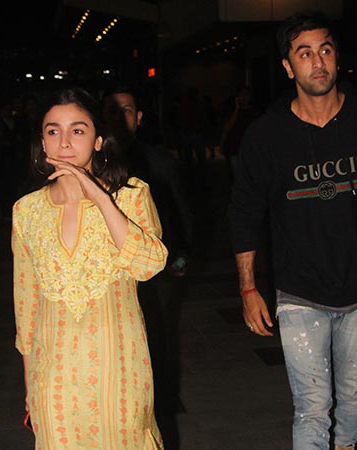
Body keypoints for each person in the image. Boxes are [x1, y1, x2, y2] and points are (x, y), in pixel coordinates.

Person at [228, 11, 357, 450]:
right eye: (305, 53)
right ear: (288, 66)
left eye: (325, 50)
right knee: (312, 406)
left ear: (337, 57)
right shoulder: (267, 135)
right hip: (299, 291)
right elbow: (245, 213)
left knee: (351, 395)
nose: (318, 62)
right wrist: (248, 288)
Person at [12, 87, 168, 449]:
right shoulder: (27, 211)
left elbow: (149, 264)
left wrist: (98, 195)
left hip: (120, 372)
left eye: (78, 130)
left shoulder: (132, 195)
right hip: (54, 378)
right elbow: (26, 306)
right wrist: (31, 386)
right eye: (53, 131)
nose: (64, 142)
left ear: (98, 141)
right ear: (42, 142)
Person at [104, 86, 193, 450]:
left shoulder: (158, 161)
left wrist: (181, 255)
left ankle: (155, 407)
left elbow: (180, 210)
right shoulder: (94, 163)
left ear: (139, 117)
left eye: (127, 109)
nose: (120, 117)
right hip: (112, 275)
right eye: (112, 111)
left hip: (157, 271)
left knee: (156, 337)